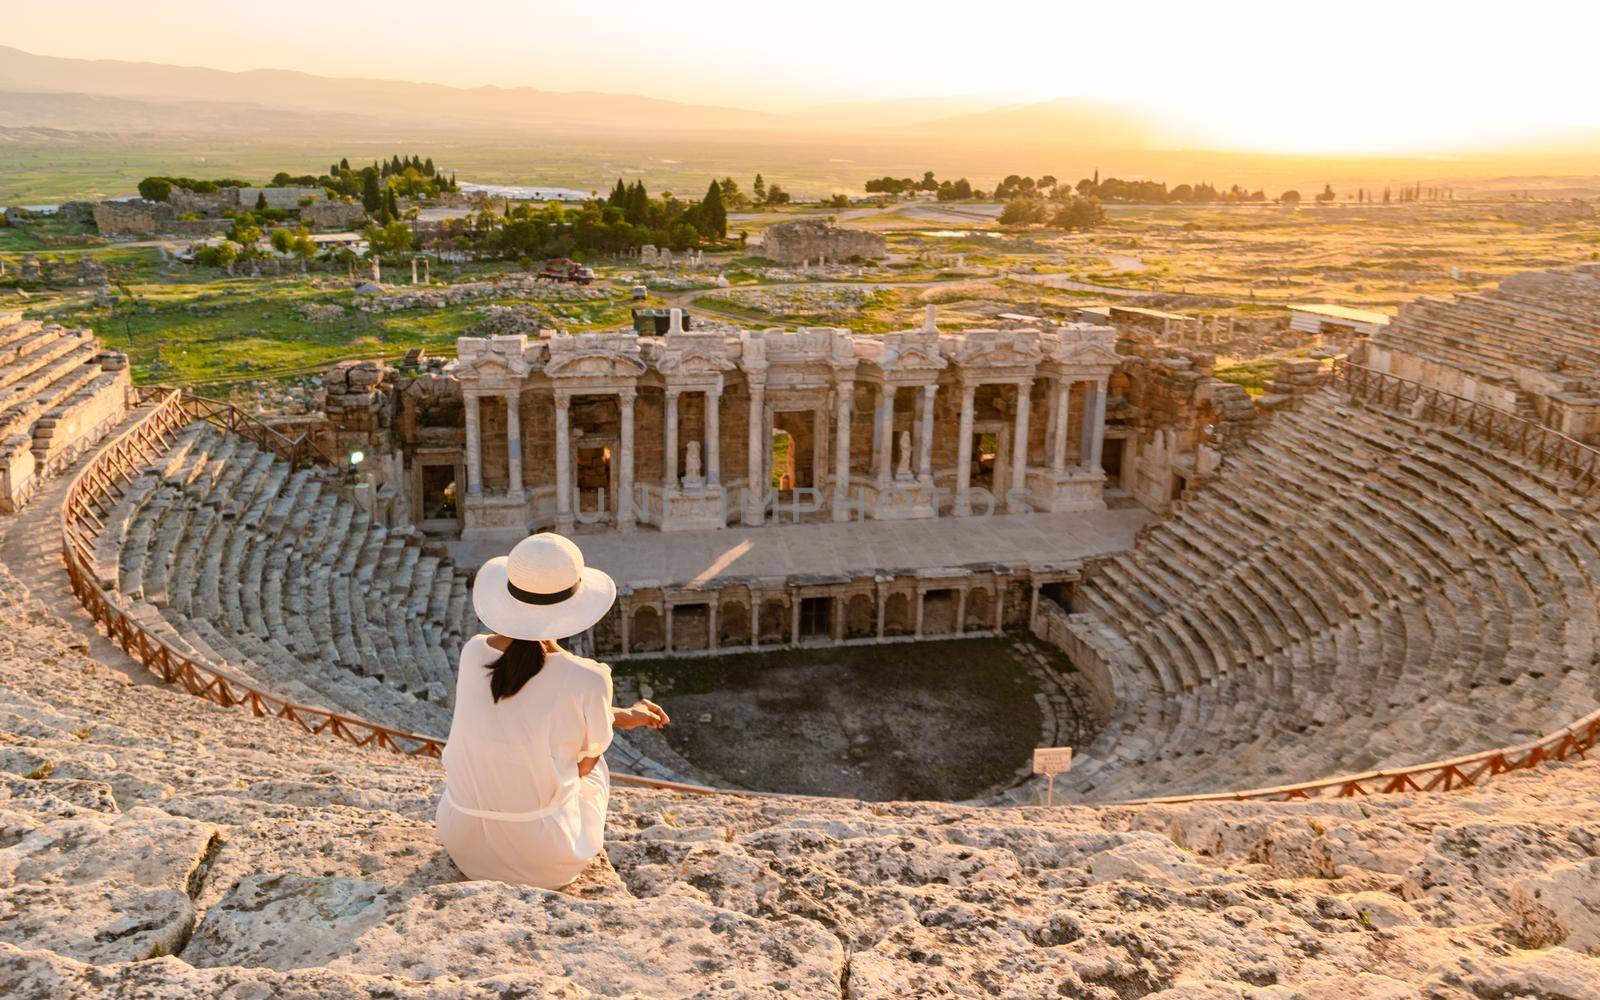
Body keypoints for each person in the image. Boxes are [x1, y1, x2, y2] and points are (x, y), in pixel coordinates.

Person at [436, 532, 668, 888]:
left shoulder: (473, 652)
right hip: (543, 858)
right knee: (596, 761)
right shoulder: (588, 677)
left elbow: (523, 710)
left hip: (463, 842)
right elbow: (581, 765)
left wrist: (620, 714)